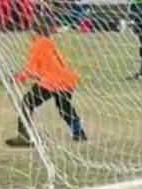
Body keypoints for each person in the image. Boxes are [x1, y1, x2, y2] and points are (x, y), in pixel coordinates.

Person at [6, 18, 87, 147]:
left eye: (30, 32)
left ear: (34, 32)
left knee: (27, 103)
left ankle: (25, 137)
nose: (29, 36)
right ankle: (79, 132)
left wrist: (15, 78)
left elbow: (31, 69)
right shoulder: (49, 43)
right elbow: (56, 64)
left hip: (52, 82)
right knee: (64, 108)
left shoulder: (38, 44)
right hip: (67, 80)